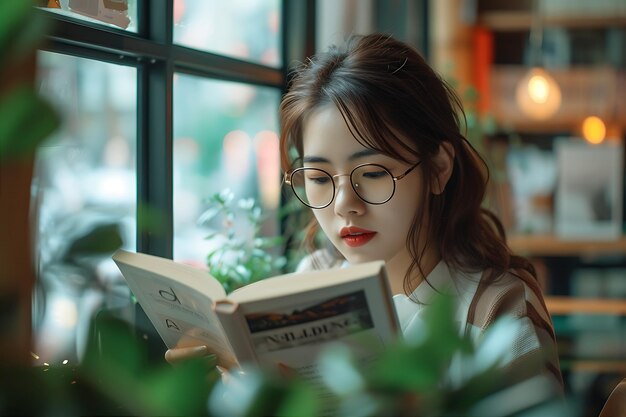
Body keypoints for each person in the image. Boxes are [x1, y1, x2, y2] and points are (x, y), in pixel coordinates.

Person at [167, 33, 563, 394]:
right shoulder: (312, 280)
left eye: (373, 173)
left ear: (438, 168)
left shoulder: (498, 313)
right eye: (319, 177)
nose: (344, 205)